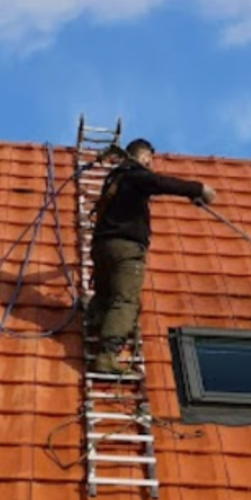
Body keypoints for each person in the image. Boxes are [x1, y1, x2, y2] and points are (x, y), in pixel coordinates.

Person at [85, 138, 216, 373]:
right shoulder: (137, 174)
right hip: (126, 249)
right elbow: (160, 183)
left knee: (106, 290)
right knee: (126, 300)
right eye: (150, 160)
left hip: (102, 246)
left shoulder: (114, 178)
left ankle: (96, 315)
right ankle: (107, 354)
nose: (151, 164)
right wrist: (199, 189)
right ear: (144, 157)